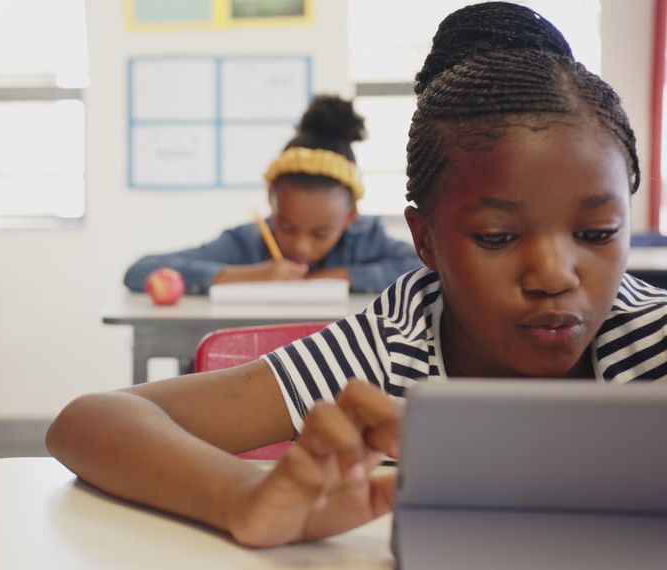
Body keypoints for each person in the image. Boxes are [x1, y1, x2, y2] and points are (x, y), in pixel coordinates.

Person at [47, 1, 667, 549]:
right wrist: (241, 498)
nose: (555, 275)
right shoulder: (391, 347)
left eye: (596, 234)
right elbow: (89, 421)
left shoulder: (651, 335)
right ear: (425, 239)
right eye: (497, 237)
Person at [123, 95, 421, 295]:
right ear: (271, 201)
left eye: (320, 233)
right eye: (287, 227)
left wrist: (341, 276)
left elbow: (424, 269)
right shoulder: (247, 243)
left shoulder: (366, 239)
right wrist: (250, 275)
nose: (301, 246)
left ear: (350, 216)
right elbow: (140, 271)